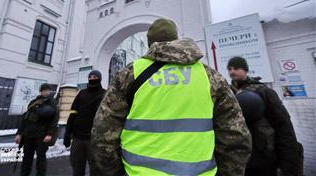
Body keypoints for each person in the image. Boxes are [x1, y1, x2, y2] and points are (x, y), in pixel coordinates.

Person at [91, 18, 252, 176]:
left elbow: (103, 134)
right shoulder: (210, 76)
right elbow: (236, 136)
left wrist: (114, 172)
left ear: (150, 43)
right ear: (175, 39)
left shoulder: (129, 74)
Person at [227, 56, 300, 176]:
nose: (232, 71)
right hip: (238, 161)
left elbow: (284, 127)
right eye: (229, 68)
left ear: (245, 70)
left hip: (264, 161)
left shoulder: (263, 91)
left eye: (236, 68)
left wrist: (288, 167)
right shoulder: (228, 93)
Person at [63, 70, 106, 176]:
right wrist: (67, 133)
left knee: (96, 170)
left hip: (95, 139)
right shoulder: (82, 93)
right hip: (78, 138)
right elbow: (73, 113)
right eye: (90, 76)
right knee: (77, 168)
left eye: (94, 76)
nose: (92, 78)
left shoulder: (104, 94)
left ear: (99, 78)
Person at [15, 83, 59, 176]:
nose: (46, 92)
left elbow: (54, 120)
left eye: (48, 90)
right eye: (44, 90)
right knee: (26, 158)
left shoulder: (52, 102)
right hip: (28, 134)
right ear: (41, 91)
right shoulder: (33, 102)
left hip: (42, 136)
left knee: (41, 158)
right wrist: (19, 133)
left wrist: (49, 134)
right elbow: (25, 118)